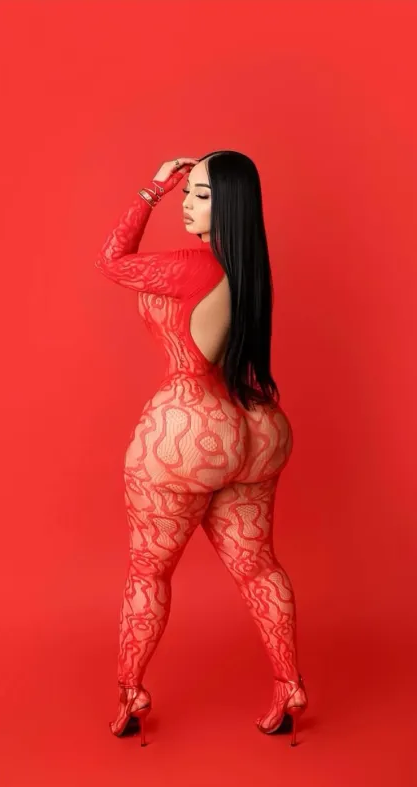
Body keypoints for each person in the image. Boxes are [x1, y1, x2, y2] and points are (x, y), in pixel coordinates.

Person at [94, 150, 308, 748]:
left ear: (231, 204)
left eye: (202, 194)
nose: (187, 203)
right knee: (259, 567)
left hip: (190, 426)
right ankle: (289, 683)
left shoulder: (191, 267)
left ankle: (131, 692)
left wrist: (152, 189)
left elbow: (111, 261)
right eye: (187, 192)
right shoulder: (252, 269)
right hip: (256, 422)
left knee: (149, 570)